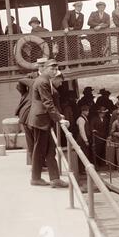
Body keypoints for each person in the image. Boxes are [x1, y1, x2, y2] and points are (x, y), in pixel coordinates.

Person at [27, 59, 68, 188]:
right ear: (45, 68)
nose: (54, 71)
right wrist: (59, 118)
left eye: (56, 69)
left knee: (49, 149)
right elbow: (47, 103)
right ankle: (36, 178)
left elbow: (48, 103)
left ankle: (54, 179)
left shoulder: (45, 80)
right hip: (40, 120)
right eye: (52, 68)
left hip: (42, 119)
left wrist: (57, 115)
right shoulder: (43, 81)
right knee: (40, 149)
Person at [15, 58, 48, 164]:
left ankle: (39, 163)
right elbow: (19, 83)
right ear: (38, 66)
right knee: (32, 141)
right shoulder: (32, 76)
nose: (43, 67)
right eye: (41, 65)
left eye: (44, 65)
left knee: (39, 140)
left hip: (38, 113)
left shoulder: (48, 77)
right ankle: (36, 165)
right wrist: (24, 94)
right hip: (28, 112)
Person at [75, 105, 92, 179]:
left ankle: (83, 169)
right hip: (81, 140)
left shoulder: (84, 118)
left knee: (85, 153)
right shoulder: (81, 119)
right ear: (83, 111)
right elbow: (82, 131)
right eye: (86, 111)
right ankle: (82, 170)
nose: (88, 112)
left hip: (83, 139)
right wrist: (86, 140)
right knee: (83, 153)